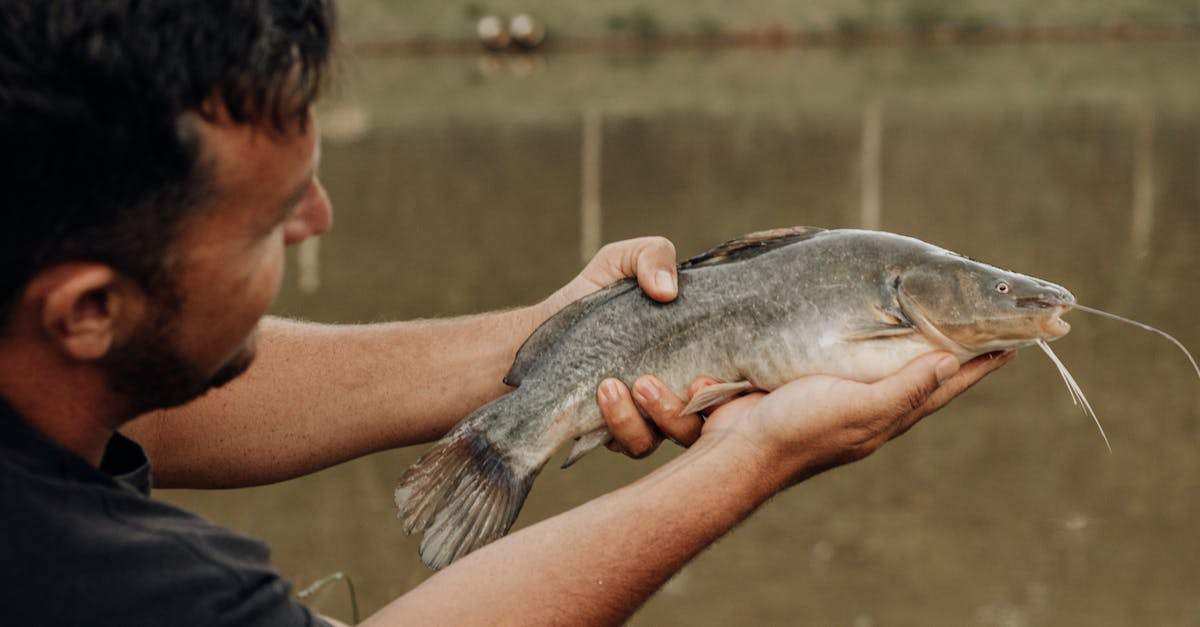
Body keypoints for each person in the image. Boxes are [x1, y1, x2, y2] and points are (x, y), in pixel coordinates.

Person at [0, 2, 1013, 626]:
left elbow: (147, 396)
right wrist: (753, 460)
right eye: (272, 220)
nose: (320, 218)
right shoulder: (109, 588)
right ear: (88, 308)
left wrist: (567, 335)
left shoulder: (47, 341)